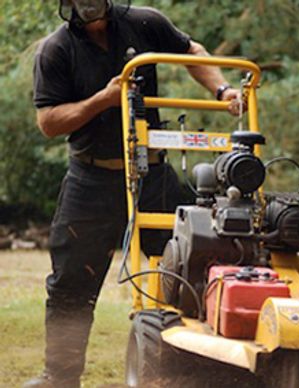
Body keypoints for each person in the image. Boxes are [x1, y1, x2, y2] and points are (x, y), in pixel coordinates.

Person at [25, 1, 241, 387]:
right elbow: (48, 122)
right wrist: (101, 101)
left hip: (152, 174)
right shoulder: (56, 49)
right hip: (92, 178)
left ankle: (194, 370)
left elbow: (192, 51)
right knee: (71, 285)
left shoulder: (144, 22)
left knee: (190, 267)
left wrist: (223, 90)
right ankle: (60, 378)